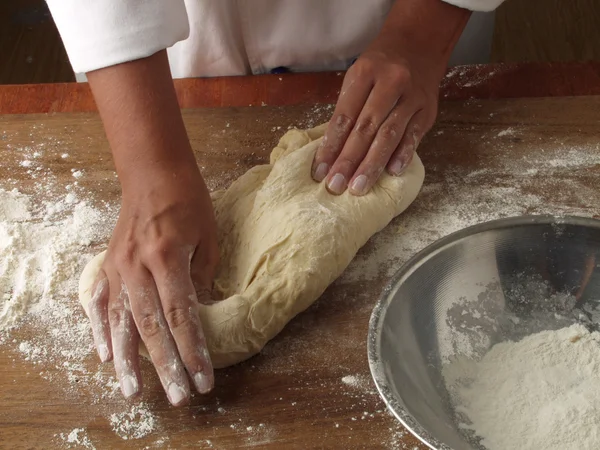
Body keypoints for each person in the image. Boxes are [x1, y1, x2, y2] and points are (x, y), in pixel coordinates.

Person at [46, 0, 505, 406]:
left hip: (401, 23)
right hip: (178, 54)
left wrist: (419, 35)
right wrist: (149, 165)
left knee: (387, 132)